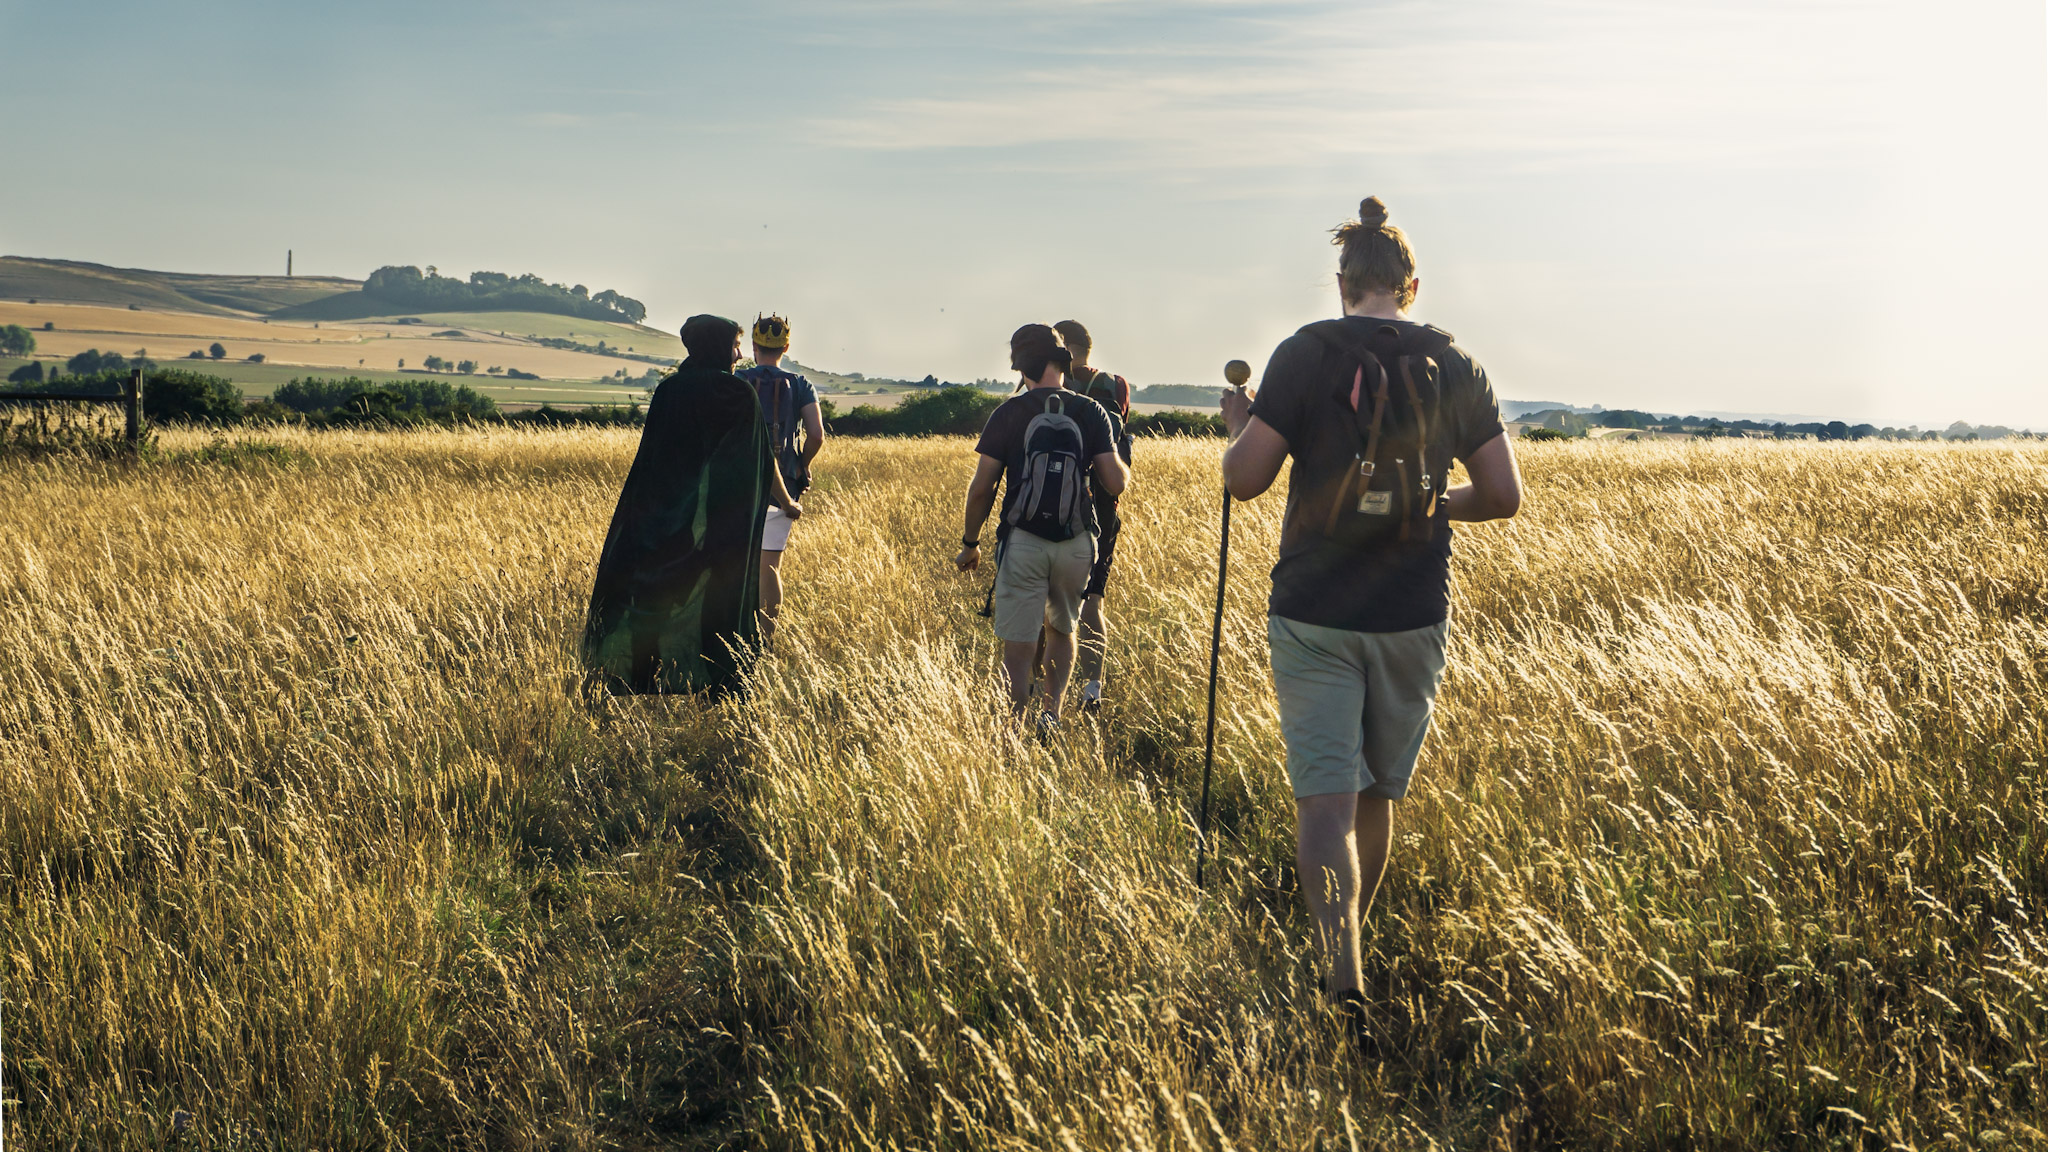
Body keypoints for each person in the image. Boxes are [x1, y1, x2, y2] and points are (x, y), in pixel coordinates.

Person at [1219, 196, 1523, 1042]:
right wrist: (1426, 504)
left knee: (1324, 802)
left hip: (1314, 606)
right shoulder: (1455, 363)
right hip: (1412, 607)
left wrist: (1237, 426)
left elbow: (1244, 480)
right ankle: (1354, 938)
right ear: (1410, 286)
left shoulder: (1303, 354)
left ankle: (1339, 972)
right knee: (1376, 795)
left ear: (1344, 282)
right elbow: (1503, 496)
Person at [583, 314, 802, 697]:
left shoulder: (670, 391)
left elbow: (650, 460)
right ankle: (722, 683)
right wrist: (784, 501)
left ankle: (640, 677)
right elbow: (759, 460)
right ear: (717, 346)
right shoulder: (736, 395)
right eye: (734, 345)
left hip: (661, 513)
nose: (738, 354)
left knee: (653, 592)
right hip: (723, 518)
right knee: (722, 595)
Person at [956, 325, 1130, 730]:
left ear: (1021, 368)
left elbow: (981, 489)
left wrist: (971, 543)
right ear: (1063, 362)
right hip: (1075, 543)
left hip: (1023, 541)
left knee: (1017, 651)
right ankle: (1051, 714)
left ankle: (1013, 729)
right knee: (1061, 630)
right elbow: (1115, 482)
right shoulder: (1091, 412)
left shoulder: (1010, 412)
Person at [1053, 319, 1133, 713]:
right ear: (1088, 346)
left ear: (1062, 348)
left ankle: (1044, 695)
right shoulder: (1115, 385)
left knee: (1047, 605)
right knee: (1092, 604)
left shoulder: (1049, 388)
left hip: (1051, 510)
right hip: (1102, 510)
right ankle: (1092, 689)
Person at [735, 314, 826, 648]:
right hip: (784, 484)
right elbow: (816, 435)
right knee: (769, 566)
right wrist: (801, 466)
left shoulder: (739, 379)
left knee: (733, 561)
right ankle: (766, 643)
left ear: (753, 347)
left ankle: (730, 636)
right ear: (786, 347)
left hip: (737, 482)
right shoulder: (801, 384)